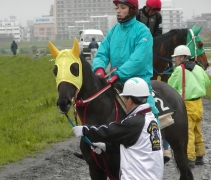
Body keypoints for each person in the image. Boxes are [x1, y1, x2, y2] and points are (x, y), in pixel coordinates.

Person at [74, 0, 159, 160]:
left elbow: (138, 60)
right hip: (115, 80)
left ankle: (155, 147)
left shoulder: (143, 32)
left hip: (138, 83)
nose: (118, 11)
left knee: (150, 113)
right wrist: (98, 68)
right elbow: (102, 53)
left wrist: (119, 73)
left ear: (132, 10)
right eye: (117, 8)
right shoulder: (113, 32)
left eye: (123, 7)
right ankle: (89, 145)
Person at [73, 77, 164, 180]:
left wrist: (85, 130)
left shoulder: (134, 122)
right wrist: (106, 146)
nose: (124, 101)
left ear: (129, 100)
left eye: (124, 99)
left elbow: (110, 131)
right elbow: (133, 146)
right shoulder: (150, 119)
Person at [136, 0, 172, 162]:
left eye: (155, 12)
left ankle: (168, 70)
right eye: (152, 11)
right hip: (138, 44)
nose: (153, 13)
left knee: (166, 57)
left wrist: (153, 45)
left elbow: (158, 33)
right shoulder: (137, 14)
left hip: (151, 43)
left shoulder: (158, 16)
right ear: (147, 7)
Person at [168, 45, 210, 168]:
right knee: (198, 130)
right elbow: (207, 82)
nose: (175, 60)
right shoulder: (198, 68)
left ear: (182, 57)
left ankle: (190, 158)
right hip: (199, 103)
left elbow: (170, 87)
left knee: (188, 132)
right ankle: (200, 155)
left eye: (176, 57)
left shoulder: (179, 70)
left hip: (187, 104)